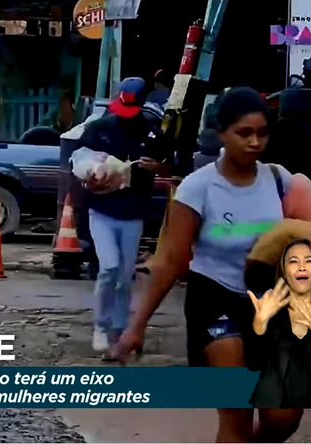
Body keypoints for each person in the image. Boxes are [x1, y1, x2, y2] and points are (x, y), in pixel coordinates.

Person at [114, 87, 297, 442]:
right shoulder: (198, 187)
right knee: (238, 407)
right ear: (222, 133)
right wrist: (136, 326)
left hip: (271, 303)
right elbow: (170, 260)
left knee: (285, 415)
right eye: (244, 133)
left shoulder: (279, 180)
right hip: (214, 301)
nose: (255, 142)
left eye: (262, 133)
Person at [77, 77, 170, 357]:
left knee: (125, 276)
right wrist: (89, 174)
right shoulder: (99, 129)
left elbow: (169, 163)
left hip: (133, 214)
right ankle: (101, 327)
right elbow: (78, 160)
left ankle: (120, 332)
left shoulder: (152, 134)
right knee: (109, 268)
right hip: (102, 212)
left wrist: (157, 167)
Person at [243, 239, 311, 439]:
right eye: (293, 261)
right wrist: (260, 324)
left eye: (309, 261)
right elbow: (253, 363)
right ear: (283, 271)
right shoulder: (268, 310)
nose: (301, 267)